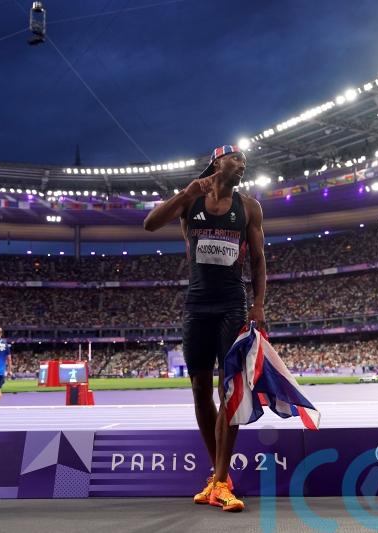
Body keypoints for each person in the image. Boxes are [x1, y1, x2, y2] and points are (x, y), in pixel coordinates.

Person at [143, 144, 266, 512]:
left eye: (245, 161)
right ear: (217, 162)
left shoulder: (249, 208)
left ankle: (221, 480)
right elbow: (149, 224)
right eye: (236, 159)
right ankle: (218, 476)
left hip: (232, 303)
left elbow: (258, 260)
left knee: (229, 390)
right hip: (197, 304)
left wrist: (258, 305)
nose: (243, 165)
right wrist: (187, 192)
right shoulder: (191, 200)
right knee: (199, 388)